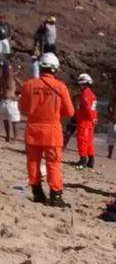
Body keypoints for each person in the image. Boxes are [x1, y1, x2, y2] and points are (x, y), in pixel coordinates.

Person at [19, 53, 74, 207]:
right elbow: (69, 112)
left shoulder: (29, 84)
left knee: (33, 162)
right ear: (55, 69)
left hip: (33, 130)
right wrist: (55, 114)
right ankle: (55, 195)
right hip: (52, 131)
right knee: (53, 163)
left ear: (41, 67)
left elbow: (23, 108)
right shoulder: (60, 87)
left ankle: (37, 193)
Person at [75, 74, 97, 169]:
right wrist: (94, 119)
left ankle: (83, 160)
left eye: (82, 84)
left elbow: (88, 108)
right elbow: (92, 109)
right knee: (89, 142)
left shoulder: (86, 94)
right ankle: (90, 160)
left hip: (85, 122)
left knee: (82, 141)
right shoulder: (91, 94)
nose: (80, 86)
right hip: (89, 122)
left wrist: (92, 119)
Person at [0, 60, 21, 142]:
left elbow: (21, 84)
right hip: (6, 101)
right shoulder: (6, 77)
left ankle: (12, 138)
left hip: (8, 101)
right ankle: (10, 137)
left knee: (12, 121)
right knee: (10, 121)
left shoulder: (8, 77)